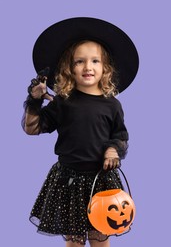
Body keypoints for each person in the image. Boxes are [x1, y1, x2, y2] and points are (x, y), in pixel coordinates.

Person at [22, 17, 139, 247]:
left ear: (106, 67)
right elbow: (32, 128)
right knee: (74, 241)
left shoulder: (112, 105)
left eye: (95, 60)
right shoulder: (63, 102)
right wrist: (35, 101)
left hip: (102, 181)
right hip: (69, 181)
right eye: (80, 61)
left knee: (100, 236)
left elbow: (121, 136)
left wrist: (112, 151)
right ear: (69, 68)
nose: (88, 67)